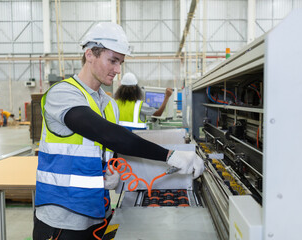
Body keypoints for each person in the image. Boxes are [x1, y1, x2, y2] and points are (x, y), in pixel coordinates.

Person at [33, 22, 204, 240]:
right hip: (61, 219)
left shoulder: (109, 104)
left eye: (121, 62)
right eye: (112, 60)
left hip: (97, 213)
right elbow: (109, 135)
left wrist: (112, 175)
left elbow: (105, 151)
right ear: (90, 55)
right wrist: (170, 155)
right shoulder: (63, 94)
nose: (118, 70)